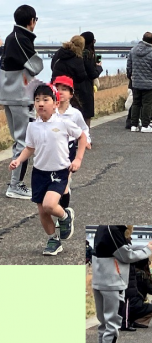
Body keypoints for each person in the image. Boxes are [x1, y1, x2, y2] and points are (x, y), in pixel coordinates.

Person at [9, 84, 87, 255]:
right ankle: (53, 240)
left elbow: (82, 137)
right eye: (37, 100)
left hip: (59, 171)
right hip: (39, 173)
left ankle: (65, 216)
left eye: (45, 99)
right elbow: (30, 148)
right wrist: (18, 160)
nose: (41, 103)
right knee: (42, 211)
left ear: (56, 104)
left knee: (49, 205)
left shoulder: (63, 122)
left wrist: (78, 159)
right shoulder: (33, 126)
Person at [91, 225, 152, 343]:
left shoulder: (103, 227)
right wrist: (148, 251)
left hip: (99, 280)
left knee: (104, 324)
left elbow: (119, 249)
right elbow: (126, 255)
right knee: (112, 325)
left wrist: (147, 248)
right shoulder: (114, 229)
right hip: (113, 282)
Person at [1, 5, 43, 199]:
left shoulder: (11, 37)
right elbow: (37, 66)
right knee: (25, 142)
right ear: (32, 20)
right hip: (19, 96)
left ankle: (15, 182)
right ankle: (15, 185)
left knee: (19, 141)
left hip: (10, 95)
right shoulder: (21, 38)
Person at [54, 75, 91, 210]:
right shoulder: (50, 111)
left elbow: (84, 129)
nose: (60, 92)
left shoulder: (75, 114)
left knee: (64, 182)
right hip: (52, 150)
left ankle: (64, 212)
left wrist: (87, 140)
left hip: (69, 148)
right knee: (54, 181)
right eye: (57, 89)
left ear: (71, 94)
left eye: (64, 89)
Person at [127, 32, 152, 133]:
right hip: (149, 83)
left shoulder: (133, 50)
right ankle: (145, 125)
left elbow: (129, 66)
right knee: (147, 104)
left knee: (136, 103)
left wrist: (131, 77)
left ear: (142, 39)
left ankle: (134, 125)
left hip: (136, 82)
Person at [120, 258, 152, 330]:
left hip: (124, 305)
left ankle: (128, 320)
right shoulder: (142, 275)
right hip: (135, 305)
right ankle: (138, 321)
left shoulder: (130, 273)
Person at [76, 31, 103, 128]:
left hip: (74, 88)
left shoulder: (75, 54)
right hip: (86, 88)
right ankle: (85, 136)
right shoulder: (88, 56)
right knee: (86, 115)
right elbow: (93, 74)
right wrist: (99, 67)